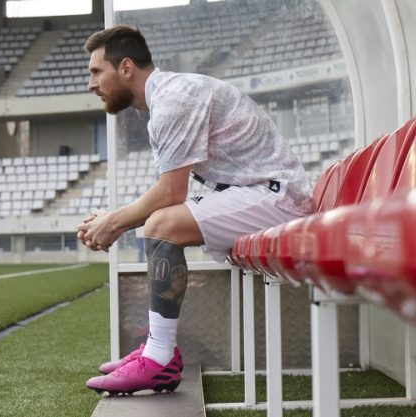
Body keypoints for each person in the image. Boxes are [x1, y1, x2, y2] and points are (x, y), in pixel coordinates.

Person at [78, 25, 314, 395]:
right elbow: (166, 192)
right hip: (263, 193)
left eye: (96, 72)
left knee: (162, 224)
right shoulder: (166, 99)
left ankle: (158, 358)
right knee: (161, 223)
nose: (91, 83)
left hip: (280, 198)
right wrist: (113, 219)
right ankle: (158, 349)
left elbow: (171, 193)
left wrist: (114, 222)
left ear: (125, 68)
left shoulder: (174, 99)